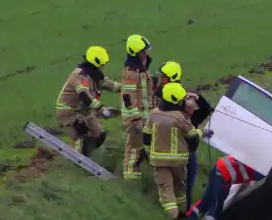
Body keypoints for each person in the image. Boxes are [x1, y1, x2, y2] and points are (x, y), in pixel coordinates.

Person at [153, 60, 214, 206]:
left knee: (177, 187)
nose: (161, 79)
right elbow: (205, 111)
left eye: (164, 76)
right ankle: (181, 213)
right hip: (182, 152)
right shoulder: (173, 101)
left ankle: (177, 212)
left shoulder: (167, 100)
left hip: (174, 151)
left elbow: (204, 112)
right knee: (183, 188)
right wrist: (198, 98)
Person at [142, 82, 202, 219]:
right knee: (180, 190)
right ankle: (180, 215)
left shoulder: (154, 114)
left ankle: (171, 216)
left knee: (166, 190)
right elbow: (193, 135)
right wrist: (203, 132)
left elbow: (146, 135)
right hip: (178, 161)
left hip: (159, 161)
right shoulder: (179, 117)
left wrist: (147, 152)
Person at [54, 45, 121, 156]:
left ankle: (90, 155)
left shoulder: (96, 75)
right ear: (96, 63)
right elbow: (84, 95)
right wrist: (101, 108)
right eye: (102, 65)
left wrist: (126, 88)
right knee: (81, 133)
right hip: (70, 111)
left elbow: (111, 85)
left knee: (99, 135)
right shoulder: (80, 75)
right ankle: (79, 160)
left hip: (84, 112)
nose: (103, 67)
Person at [188, 154, 263, 220]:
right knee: (217, 205)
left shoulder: (255, 160)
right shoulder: (260, 171)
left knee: (207, 199)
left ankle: (190, 216)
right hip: (224, 174)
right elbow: (252, 183)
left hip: (220, 165)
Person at [119, 34, 154, 181]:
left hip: (145, 118)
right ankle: (131, 180)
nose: (146, 54)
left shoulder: (141, 70)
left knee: (143, 149)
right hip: (136, 119)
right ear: (136, 53)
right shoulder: (132, 72)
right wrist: (136, 119)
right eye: (143, 52)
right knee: (134, 150)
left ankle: (139, 177)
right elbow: (128, 97)